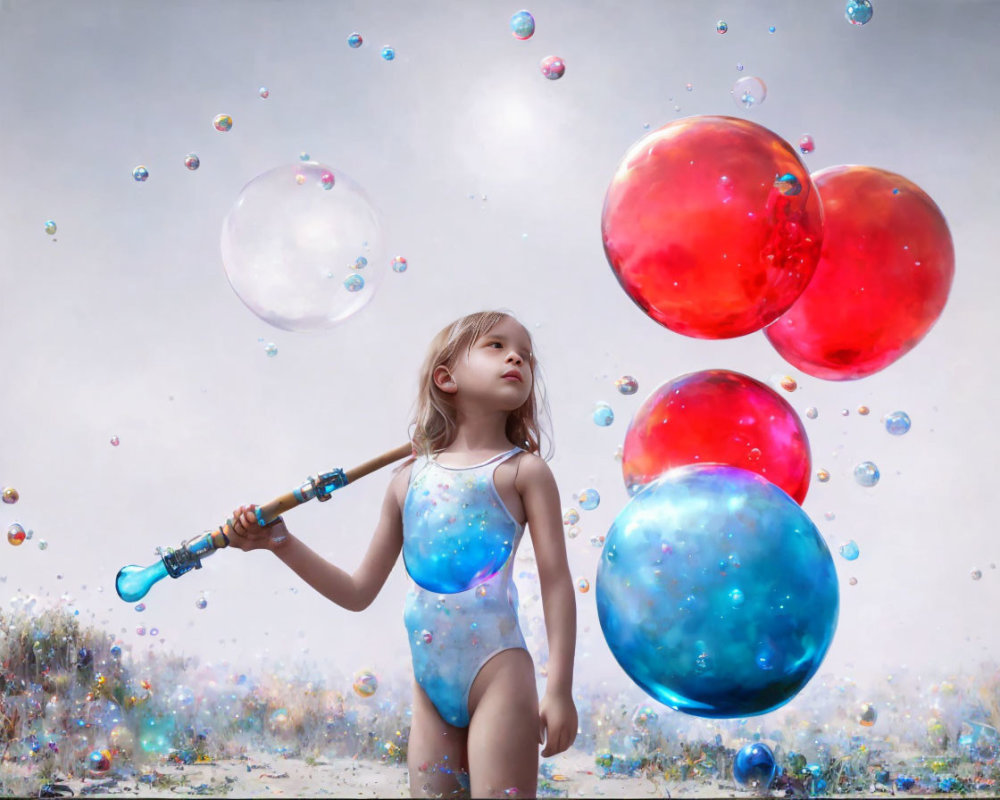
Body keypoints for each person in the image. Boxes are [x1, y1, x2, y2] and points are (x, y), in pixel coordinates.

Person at [224, 310, 578, 798]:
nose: (516, 356)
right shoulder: (408, 480)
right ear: (446, 377)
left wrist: (558, 689)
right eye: (495, 345)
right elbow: (357, 592)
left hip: (499, 675)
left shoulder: (523, 472)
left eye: (525, 354)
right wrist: (278, 542)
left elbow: (556, 580)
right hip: (429, 686)